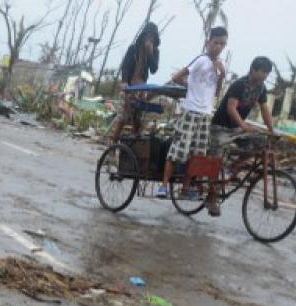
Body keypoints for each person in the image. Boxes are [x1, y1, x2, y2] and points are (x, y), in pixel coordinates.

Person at [158, 27, 228, 216]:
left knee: (197, 155)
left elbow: (216, 91)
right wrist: (190, 86)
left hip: (206, 115)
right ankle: (163, 186)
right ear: (208, 42)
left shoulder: (220, 65)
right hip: (191, 112)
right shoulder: (201, 60)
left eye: (222, 44)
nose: (219, 47)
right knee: (177, 150)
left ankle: (185, 187)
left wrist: (221, 75)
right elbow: (177, 77)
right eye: (216, 43)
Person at [210, 56, 275, 167]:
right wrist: (243, 125)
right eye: (263, 71)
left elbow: (265, 109)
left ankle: (235, 165)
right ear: (253, 69)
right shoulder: (239, 84)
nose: (265, 75)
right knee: (214, 164)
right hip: (220, 128)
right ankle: (212, 180)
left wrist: (271, 129)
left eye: (267, 73)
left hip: (237, 129)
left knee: (261, 142)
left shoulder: (262, 88)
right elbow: (231, 109)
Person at [110, 22, 161, 143]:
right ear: (143, 36)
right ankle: (113, 145)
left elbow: (154, 69)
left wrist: (150, 53)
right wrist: (124, 81)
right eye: (148, 35)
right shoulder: (133, 48)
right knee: (122, 118)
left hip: (141, 87)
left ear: (155, 38)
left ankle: (133, 148)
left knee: (138, 120)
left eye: (152, 37)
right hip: (129, 86)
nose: (149, 38)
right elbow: (126, 66)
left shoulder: (155, 52)